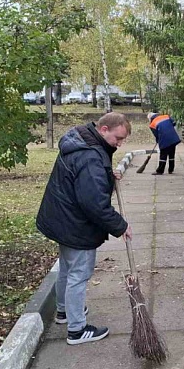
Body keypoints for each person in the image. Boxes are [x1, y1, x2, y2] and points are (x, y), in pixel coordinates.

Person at [36, 112, 133, 345]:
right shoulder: (90, 156)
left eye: (122, 141)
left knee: (68, 269)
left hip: (62, 218)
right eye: (117, 139)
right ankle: (77, 330)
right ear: (104, 130)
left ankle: (64, 312)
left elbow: (84, 180)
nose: (119, 145)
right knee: (79, 274)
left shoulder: (81, 142)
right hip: (76, 223)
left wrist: (107, 175)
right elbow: (94, 203)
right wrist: (120, 226)